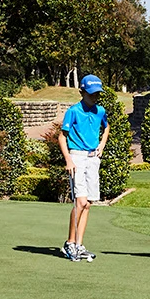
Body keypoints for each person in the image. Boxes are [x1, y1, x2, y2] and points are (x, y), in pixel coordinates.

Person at [48, 74, 110, 261]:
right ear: (82, 92)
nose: (95, 97)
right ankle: (70, 243)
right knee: (80, 202)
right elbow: (62, 136)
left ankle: (79, 245)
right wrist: (68, 159)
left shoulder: (100, 111)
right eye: (91, 94)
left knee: (88, 204)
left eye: (97, 94)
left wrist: (101, 145)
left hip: (93, 158)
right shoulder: (73, 111)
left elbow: (106, 128)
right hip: (77, 157)